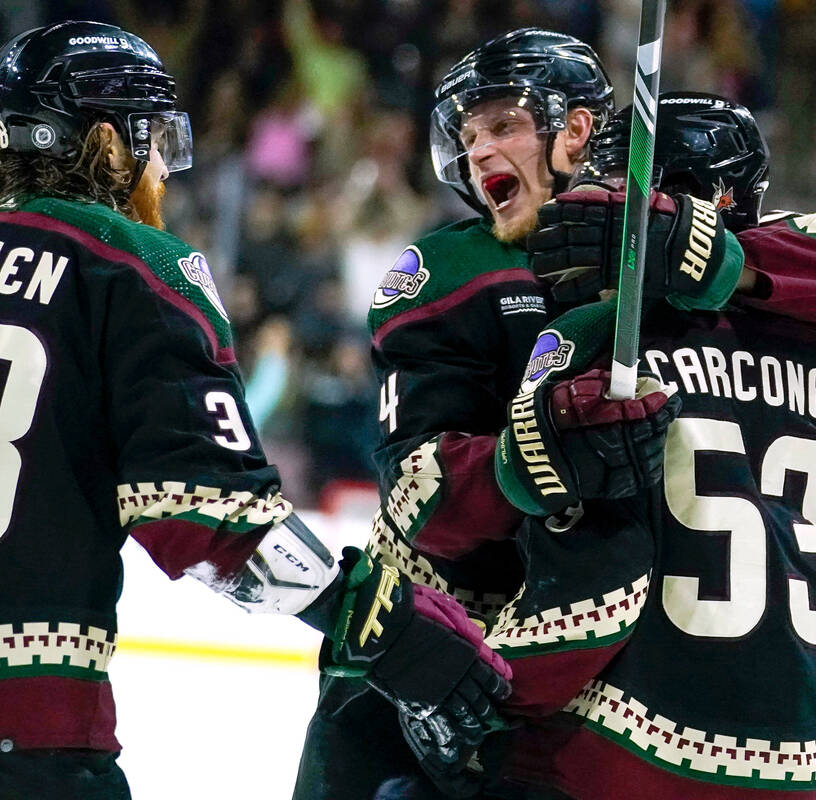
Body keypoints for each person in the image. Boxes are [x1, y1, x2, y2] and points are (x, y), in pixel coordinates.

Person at [294, 31, 816, 799]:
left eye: (503, 126)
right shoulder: (445, 274)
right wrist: (531, 457)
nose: (480, 152)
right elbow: (416, 496)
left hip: (584, 668)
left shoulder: (656, 249)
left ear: (576, 130)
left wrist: (709, 255)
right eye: (469, 135)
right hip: (437, 643)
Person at [0, 21, 508, 800]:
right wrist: (386, 625)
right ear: (105, 146)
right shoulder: (133, 267)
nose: (163, 170)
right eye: (153, 142)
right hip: (29, 736)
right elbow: (215, 522)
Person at [478, 91, 816, 799]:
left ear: (694, 199)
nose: (594, 207)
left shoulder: (599, 338)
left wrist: (482, 694)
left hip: (625, 751)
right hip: (813, 768)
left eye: (614, 186)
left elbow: (557, 534)